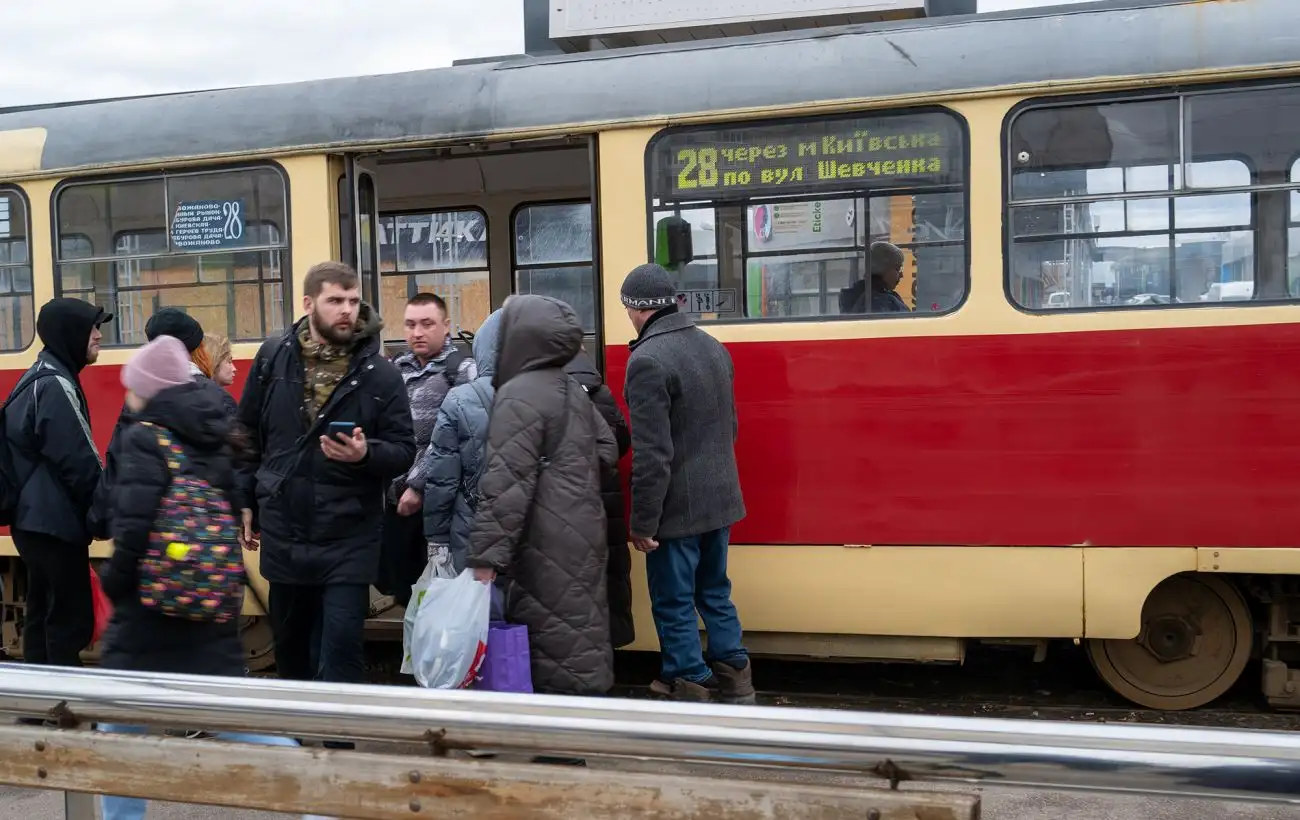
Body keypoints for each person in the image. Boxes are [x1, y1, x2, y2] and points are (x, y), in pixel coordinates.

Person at [94, 335, 329, 820]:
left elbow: (133, 527)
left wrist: (115, 581)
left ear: (150, 388)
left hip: (150, 608)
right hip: (209, 599)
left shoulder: (145, 436)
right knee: (232, 714)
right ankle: (314, 799)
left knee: (117, 721)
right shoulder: (213, 433)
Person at [236, 261, 414, 707]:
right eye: (336, 300)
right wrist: (244, 498)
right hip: (286, 525)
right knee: (291, 646)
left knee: (341, 648)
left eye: (353, 301)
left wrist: (366, 454)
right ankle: (298, 736)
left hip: (349, 533)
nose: (347, 311)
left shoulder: (380, 374)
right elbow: (246, 435)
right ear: (308, 303)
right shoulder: (272, 357)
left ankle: (338, 743)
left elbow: (404, 449)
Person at [466, 295, 617, 697]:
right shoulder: (570, 387)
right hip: (583, 527)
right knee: (575, 630)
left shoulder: (518, 394)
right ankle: (576, 724)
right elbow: (606, 448)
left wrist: (485, 558)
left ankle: (557, 745)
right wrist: (568, 478)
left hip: (540, 535)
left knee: (545, 635)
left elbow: (504, 484)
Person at [619, 263, 754, 705]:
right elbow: (728, 427)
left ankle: (689, 679)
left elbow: (653, 455)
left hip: (677, 509)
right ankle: (736, 677)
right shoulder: (713, 347)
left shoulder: (647, 360)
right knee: (715, 589)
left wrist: (642, 523)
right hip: (722, 500)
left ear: (636, 309)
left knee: (673, 599)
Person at [2, 298, 110, 669]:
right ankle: (64, 708)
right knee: (68, 621)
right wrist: (102, 512)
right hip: (53, 524)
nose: (98, 335)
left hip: (34, 521)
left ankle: (39, 707)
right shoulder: (55, 384)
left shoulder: (37, 376)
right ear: (71, 332)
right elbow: (80, 459)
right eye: (92, 328)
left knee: (43, 616)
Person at [90, 308, 230, 537]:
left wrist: (99, 520)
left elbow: (118, 462)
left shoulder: (141, 397)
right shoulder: (213, 396)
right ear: (196, 347)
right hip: (207, 534)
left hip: (157, 539)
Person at [378, 293, 474, 605]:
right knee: (405, 591)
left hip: (441, 504)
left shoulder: (461, 369)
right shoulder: (393, 370)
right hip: (396, 501)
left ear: (446, 326)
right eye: (410, 324)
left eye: (427, 324)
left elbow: (457, 437)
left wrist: (418, 484)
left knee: (440, 592)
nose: (417, 332)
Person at [422, 308, 502, 575]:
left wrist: (437, 539)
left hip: (472, 538)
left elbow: (441, 479)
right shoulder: (559, 393)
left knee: (480, 612)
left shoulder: (459, 400)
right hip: (538, 543)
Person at [564, 346, 635, 649]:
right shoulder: (600, 391)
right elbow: (622, 441)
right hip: (606, 504)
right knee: (609, 577)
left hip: (570, 511)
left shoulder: (548, 393)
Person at [838, 241, 910, 314]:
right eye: (897, 269)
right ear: (882, 268)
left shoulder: (855, 295)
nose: (901, 275)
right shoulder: (879, 302)